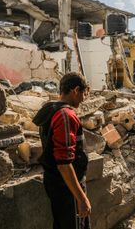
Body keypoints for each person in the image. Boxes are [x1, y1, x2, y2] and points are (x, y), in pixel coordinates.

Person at [33, 73, 91, 229]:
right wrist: (81, 198)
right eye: (84, 93)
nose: (84, 98)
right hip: (67, 188)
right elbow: (64, 164)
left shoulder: (51, 110)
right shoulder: (66, 116)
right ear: (76, 90)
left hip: (56, 183)